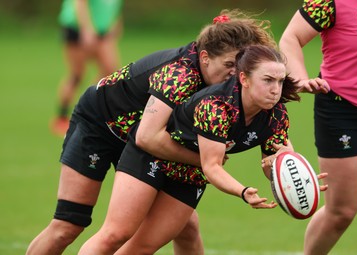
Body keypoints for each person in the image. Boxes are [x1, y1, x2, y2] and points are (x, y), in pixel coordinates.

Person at [26, 9, 278, 255]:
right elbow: (147, 137)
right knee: (69, 225)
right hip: (101, 125)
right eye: (228, 64)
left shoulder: (224, 89)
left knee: (187, 226)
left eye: (240, 66)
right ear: (204, 58)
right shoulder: (180, 75)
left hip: (141, 138)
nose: (235, 74)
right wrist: (205, 160)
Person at [77, 44, 303, 254]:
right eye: (268, 80)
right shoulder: (216, 106)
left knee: (141, 248)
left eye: (281, 81)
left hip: (190, 174)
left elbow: (273, 162)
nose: (276, 90)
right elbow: (212, 166)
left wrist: (290, 171)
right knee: (115, 235)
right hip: (153, 156)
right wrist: (243, 191)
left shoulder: (277, 115)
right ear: (243, 78)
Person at [279, 0, 357, 254]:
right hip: (341, 111)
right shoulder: (330, 3)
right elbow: (290, 38)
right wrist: (300, 78)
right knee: (341, 212)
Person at [50, 0, 124, 136]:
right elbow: (80, 3)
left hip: (102, 30)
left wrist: (115, 23)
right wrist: (86, 29)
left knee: (111, 72)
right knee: (77, 75)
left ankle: (89, 110)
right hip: (78, 27)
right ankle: (61, 118)